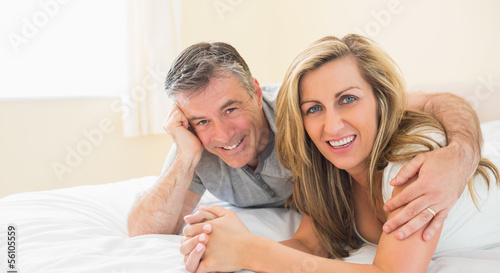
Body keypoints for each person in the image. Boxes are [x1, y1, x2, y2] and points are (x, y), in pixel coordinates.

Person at [180, 35, 500, 273]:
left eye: (347, 99)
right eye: (314, 109)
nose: (332, 126)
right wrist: (225, 252)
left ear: (380, 99)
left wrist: (251, 251)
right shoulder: (329, 168)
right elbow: (308, 245)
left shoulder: (410, 160)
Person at [127, 41, 481, 241]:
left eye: (231, 109)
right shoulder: (196, 145)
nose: (221, 134)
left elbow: (434, 101)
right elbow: (145, 231)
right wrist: (186, 156)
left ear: (253, 89)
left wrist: (462, 152)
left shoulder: (304, 107)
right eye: (201, 120)